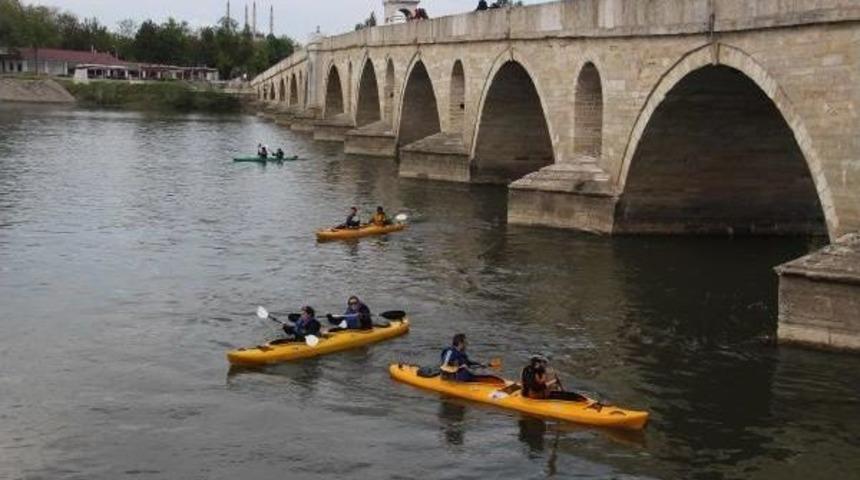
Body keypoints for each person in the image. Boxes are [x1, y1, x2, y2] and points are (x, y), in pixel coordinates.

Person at [440, 334, 504, 384]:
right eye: (465, 342)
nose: (467, 344)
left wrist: (481, 364)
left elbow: (468, 363)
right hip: (453, 377)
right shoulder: (450, 352)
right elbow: (444, 366)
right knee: (474, 374)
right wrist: (460, 368)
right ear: (460, 343)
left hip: (464, 374)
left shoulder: (461, 352)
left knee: (487, 374)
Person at [520, 355, 587, 401]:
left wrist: (555, 385)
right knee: (566, 396)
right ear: (536, 364)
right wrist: (552, 382)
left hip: (543, 394)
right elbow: (536, 388)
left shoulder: (540, 370)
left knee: (571, 395)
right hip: (534, 396)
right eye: (541, 363)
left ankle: (580, 398)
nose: (543, 365)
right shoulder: (529, 372)